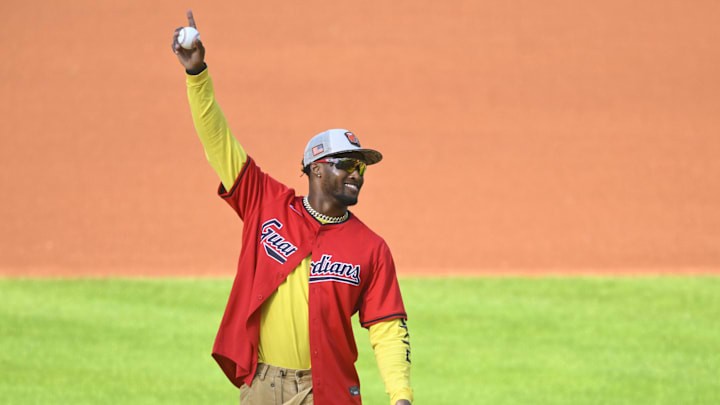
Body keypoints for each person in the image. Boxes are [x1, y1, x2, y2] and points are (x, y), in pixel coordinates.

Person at [172, 10, 413, 405]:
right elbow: (218, 140)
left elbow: (387, 326)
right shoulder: (265, 202)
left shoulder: (372, 248)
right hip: (262, 386)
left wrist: (400, 395)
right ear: (317, 169)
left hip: (328, 391)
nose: (358, 173)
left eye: (361, 166)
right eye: (347, 164)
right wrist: (197, 76)